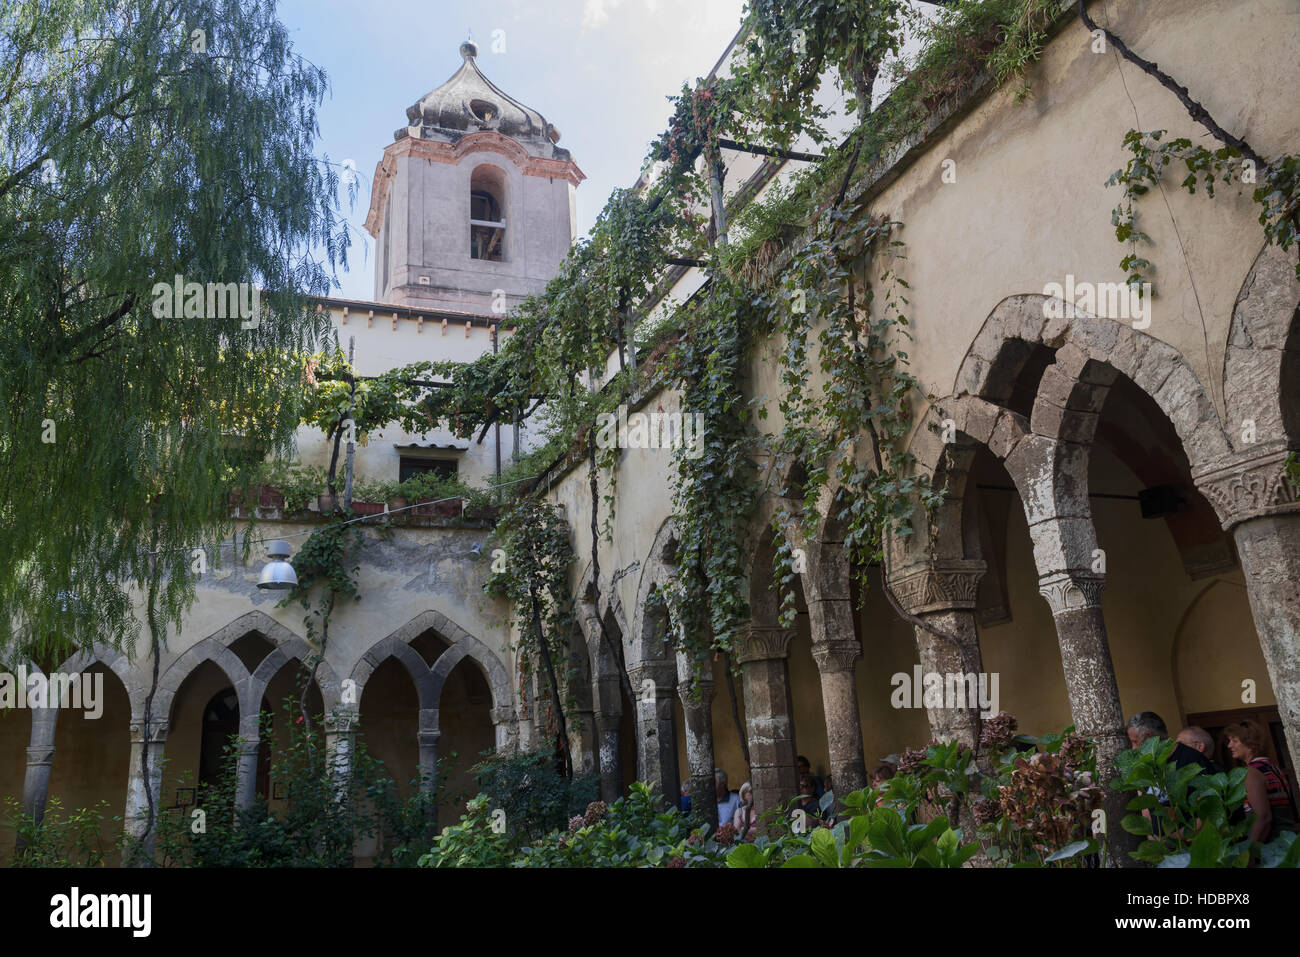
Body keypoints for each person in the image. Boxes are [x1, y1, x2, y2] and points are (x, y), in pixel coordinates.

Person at [1225, 720, 1297, 843]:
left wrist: (1251, 851)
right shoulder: (1272, 767)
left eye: (1234, 741)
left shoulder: (1251, 772)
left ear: (1251, 743)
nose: (1229, 745)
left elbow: (1263, 817)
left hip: (1273, 847)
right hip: (1289, 841)